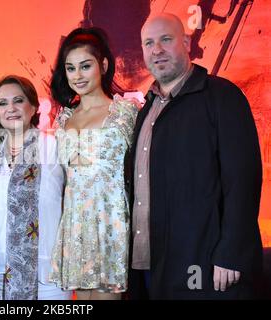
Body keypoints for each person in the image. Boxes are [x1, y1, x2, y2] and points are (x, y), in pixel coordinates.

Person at [128, 13, 263, 299]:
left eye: (166, 39)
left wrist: (232, 252)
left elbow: (243, 181)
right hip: (153, 265)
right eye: (148, 43)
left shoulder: (222, 96)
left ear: (186, 41)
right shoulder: (146, 110)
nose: (157, 50)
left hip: (207, 265)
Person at [48, 27, 138, 300]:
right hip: (75, 224)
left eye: (85, 66)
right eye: (71, 68)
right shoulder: (62, 119)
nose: (77, 75)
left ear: (104, 65)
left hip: (111, 223)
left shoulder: (125, 113)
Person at [0, 75, 72, 300]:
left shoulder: (53, 146)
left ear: (33, 106)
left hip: (46, 272)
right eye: (2, 103)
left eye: (18, 101)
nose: (10, 108)